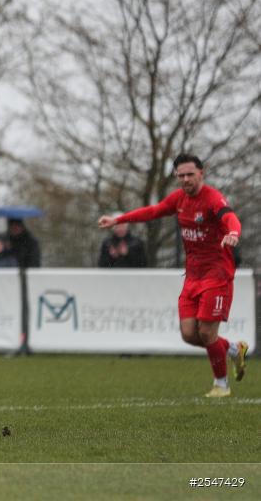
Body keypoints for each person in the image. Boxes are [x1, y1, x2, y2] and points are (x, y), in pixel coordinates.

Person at [98, 154, 247, 397]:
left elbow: (230, 217)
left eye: (190, 174)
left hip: (217, 274)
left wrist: (233, 232)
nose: (186, 179)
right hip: (192, 276)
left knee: (207, 333)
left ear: (201, 173)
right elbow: (153, 211)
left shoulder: (212, 198)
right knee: (189, 334)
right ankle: (233, 349)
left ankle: (222, 385)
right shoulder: (179, 199)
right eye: (181, 175)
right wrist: (118, 220)